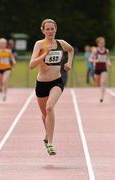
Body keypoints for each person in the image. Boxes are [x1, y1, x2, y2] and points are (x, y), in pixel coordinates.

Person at [29, 19, 74, 155]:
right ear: (42, 30)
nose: (50, 31)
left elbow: (71, 50)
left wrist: (69, 63)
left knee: (49, 107)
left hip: (57, 81)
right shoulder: (39, 44)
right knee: (44, 115)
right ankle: (47, 135)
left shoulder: (61, 43)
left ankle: (50, 143)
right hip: (42, 83)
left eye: (52, 29)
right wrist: (44, 54)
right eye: (47, 29)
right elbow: (31, 65)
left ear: (56, 29)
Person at [89, 37, 111, 102]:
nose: (102, 44)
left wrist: (109, 63)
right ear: (98, 44)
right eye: (101, 43)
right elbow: (90, 59)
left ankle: (101, 97)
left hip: (104, 68)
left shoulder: (106, 51)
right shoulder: (95, 51)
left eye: (103, 43)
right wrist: (95, 61)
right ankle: (100, 87)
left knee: (103, 82)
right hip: (97, 69)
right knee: (98, 84)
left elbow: (107, 58)